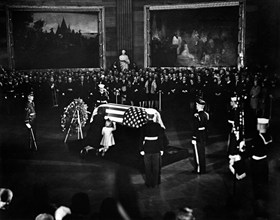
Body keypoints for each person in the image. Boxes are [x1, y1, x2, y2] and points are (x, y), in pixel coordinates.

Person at [139, 109, 164, 188]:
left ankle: (149, 183)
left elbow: (140, 139)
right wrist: (162, 149)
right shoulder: (158, 126)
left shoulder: (143, 126)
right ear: (153, 116)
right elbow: (160, 138)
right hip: (156, 148)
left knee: (148, 167)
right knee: (156, 167)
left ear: (147, 116)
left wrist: (141, 149)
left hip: (147, 148)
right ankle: (156, 182)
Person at [191, 98, 209, 174]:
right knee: (202, 152)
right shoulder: (206, 114)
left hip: (198, 136)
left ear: (198, 105)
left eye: (196, 105)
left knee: (197, 153)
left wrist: (194, 137)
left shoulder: (197, 116)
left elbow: (195, 127)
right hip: (203, 135)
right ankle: (203, 169)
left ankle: (198, 169)